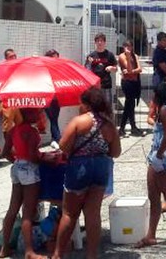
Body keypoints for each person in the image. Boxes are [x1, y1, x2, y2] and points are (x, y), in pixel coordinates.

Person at [52, 87, 121, 259]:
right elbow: (115, 152)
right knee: (93, 214)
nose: (78, 106)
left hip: (79, 168)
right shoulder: (109, 125)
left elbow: (63, 146)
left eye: (81, 103)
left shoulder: (78, 121)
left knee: (69, 213)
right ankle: (92, 255)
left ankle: (58, 255)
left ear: (87, 104)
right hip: (100, 168)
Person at [135, 82, 166, 251]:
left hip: (164, 157)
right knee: (153, 196)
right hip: (156, 155)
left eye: (154, 94)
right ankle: (151, 235)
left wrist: (159, 154)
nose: (152, 97)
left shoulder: (165, 110)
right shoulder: (165, 109)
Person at [0, 107, 45, 259]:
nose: (39, 116)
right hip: (29, 171)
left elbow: (5, 152)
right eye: (37, 113)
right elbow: (33, 156)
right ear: (28, 114)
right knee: (28, 212)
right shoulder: (32, 132)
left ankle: (5, 248)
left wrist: (18, 161)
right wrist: (44, 158)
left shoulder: (13, 130)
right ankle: (29, 251)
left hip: (17, 167)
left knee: (12, 209)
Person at [117, 43, 142, 136]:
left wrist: (132, 71)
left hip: (135, 82)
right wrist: (127, 57)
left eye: (130, 46)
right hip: (127, 83)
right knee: (129, 104)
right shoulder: (122, 56)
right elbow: (129, 68)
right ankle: (130, 127)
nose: (128, 48)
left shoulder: (135, 56)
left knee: (130, 106)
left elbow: (139, 69)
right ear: (123, 47)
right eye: (126, 46)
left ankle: (127, 128)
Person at [86, 34, 118, 105]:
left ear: (105, 42)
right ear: (95, 43)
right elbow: (87, 71)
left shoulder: (110, 55)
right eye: (97, 41)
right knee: (95, 108)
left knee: (107, 108)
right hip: (95, 86)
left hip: (106, 85)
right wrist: (89, 63)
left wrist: (112, 68)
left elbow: (116, 69)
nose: (99, 43)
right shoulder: (91, 56)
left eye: (101, 41)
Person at [43, 50, 62, 143]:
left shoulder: (58, 70)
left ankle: (55, 138)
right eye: (53, 58)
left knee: (54, 119)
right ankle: (58, 138)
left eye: (57, 58)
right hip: (47, 98)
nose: (56, 60)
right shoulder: (45, 69)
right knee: (53, 119)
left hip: (57, 98)